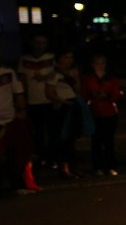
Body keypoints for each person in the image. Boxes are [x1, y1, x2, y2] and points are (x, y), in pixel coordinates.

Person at [0, 59, 40, 194]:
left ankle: (18, 185)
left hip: (9, 119)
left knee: (17, 154)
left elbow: (18, 92)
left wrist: (22, 110)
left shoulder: (7, 73)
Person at [16, 32, 55, 168]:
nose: (40, 45)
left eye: (43, 42)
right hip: (32, 101)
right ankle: (40, 156)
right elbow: (22, 79)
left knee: (51, 130)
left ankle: (52, 157)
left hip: (49, 100)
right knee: (37, 132)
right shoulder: (24, 59)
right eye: (37, 42)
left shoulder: (51, 58)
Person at [81, 54, 122, 176]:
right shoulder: (88, 78)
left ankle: (110, 166)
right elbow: (83, 93)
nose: (100, 66)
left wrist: (107, 95)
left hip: (109, 112)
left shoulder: (111, 78)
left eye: (102, 63)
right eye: (97, 63)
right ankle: (97, 166)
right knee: (96, 141)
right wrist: (92, 95)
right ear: (92, 64)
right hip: (94, 112)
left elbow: (117, 93)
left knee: (109, 141)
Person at [46, 48, 83, 178]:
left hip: (73, 105)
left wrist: (75, 77)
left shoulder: (72, 72)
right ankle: (63, 167)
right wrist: (63, 101)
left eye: (71, 57)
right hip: (62, 107)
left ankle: (72, 167)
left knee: (72, 138)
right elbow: (49, 93)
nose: (69, 60)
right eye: (66, 57)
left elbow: (78, 90)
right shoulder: (54, 74)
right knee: (62, 138)